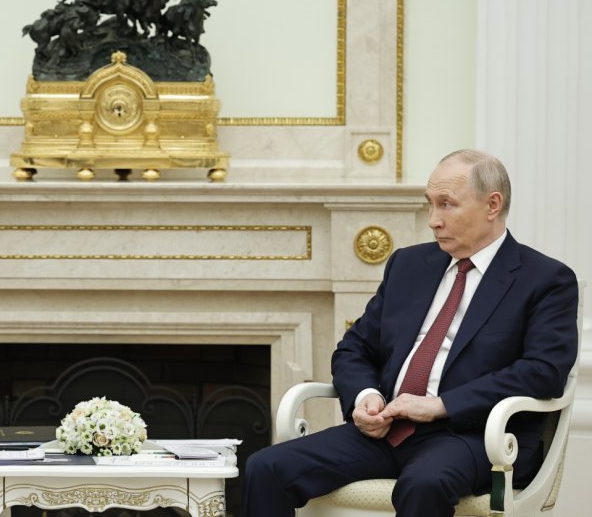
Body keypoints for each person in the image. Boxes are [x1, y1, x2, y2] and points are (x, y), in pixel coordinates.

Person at [242, 149, 579, 517]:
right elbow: (354, 348)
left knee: (424, 483)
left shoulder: (545, 279)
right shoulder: (409, 264)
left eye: (446, 204)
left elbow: (543, 372)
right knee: (266, 467)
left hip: (475, 437)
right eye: (430, 204)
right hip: (386, 429)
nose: (433, 220)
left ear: (492, 205)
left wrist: (439, 405)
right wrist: (365, 397)